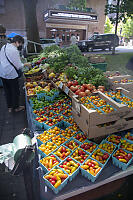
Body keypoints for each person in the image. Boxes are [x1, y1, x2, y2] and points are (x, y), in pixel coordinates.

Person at [0, 35, 31, 112]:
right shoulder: (14, 50)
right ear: (17, 42)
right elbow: (18, 66)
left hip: (3, 72)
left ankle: (10, 107)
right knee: (15, 91)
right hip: (11, 73)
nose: (20, 46)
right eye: (20, 44)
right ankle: (16, 107)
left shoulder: (4, 47)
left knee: (7, 91)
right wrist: (26, 64)